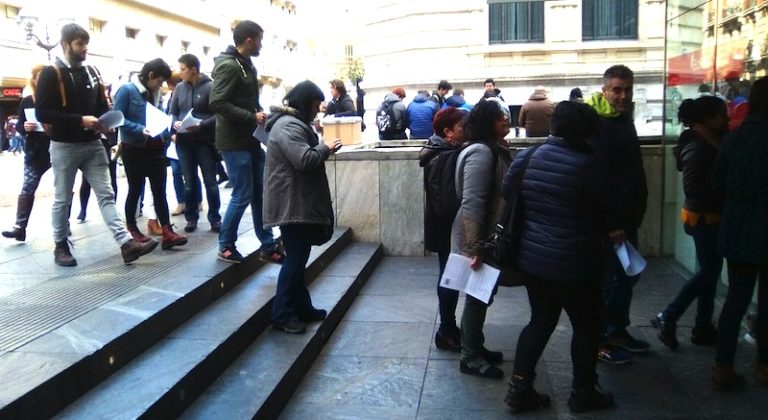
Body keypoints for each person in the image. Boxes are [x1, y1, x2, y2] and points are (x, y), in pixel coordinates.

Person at [503, 101, 618, 414]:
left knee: (540, 321)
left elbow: (508, 191)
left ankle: (520, 388)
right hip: (577, 263)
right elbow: (610, 208)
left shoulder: (526, 157)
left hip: (534, 260)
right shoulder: (590, 164)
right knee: (585, 326)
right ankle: (583, 392)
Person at [35, 23, 157, 265]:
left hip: (92, 144)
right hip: (64, 145)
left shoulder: (92, 71)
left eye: (86, 43)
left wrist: (105, 120)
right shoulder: (52, 73)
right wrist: (81, 120)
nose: (85, 48)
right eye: (80, 44)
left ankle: (126, 243)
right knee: (62, 198)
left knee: (106, 195)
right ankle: (60, 246)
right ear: (65, 44)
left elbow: (101, 105)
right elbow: (43, 113)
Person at [263, 80, 341, 333]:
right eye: (316, 104)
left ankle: (302, 307)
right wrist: (324, 147)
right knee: (295, 259)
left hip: (296, 202)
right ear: (305, 102)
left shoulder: (292, 124)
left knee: (298, 258)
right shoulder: (288, 126)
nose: (319, 109)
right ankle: (282, 314)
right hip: (291, 204)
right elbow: (304, 159)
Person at [653, 96, 728, 350]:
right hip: (704, 217)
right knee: (708, 272)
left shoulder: (703, 141)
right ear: (707, 120)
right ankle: (668, 316)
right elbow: (694, 187)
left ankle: (702, 327)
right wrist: (724, 196)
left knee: (710, 271)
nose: (725, 120)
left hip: (706, 216)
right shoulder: (698, 146)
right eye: (720, 115)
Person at [585, 64, 649, 364]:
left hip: (627, 217)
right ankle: (599, 340)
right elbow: (601, 176)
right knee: (608, 282)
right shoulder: (599, 123)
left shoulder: (623, 119)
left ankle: (616, 330)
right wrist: (612, 222)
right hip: (612, 223)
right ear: (605, 91)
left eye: (627, 90)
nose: (623, 95)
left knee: (627, 279)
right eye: (617, 90)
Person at [210, 20, 284, 264]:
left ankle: (267, 244)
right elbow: (217, 102)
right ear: (249, 40)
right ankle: (226, 245)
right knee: (242, 193)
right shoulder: (230, 66)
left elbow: (242, 100)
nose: (262, 45)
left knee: (260, 194)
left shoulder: (246, 65)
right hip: (234, 142)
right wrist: (251, 116)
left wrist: (259, 113)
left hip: (250, 139)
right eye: (260, 40)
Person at [711, 76, 768, 390]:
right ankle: (764, 367)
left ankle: (723, 365)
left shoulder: (733, 139)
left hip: (737, 232)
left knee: (736, 301)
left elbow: (718, 186)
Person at [451, 99, 511, 379]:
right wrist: (475, 246)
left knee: (482, 295)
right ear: (488, 121)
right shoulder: (481, 153)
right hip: (479, 237)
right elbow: (473, 201)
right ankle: (470, 356)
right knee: (477, 296)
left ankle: (474, 345)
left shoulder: (493, 150)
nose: (506, 120)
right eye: (501, 117)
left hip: (486, 236)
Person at [113, 58, 188, 250]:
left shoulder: (155, 93)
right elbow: (117, 118)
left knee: (160, 192)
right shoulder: (127, 90)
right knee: (135, 189)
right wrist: (139, 128)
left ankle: (167, 231)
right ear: (151, 75)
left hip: (156, 149)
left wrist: (169, 128)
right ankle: (133, 230)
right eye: (160, 81)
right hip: (134, 149)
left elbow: (159, 117)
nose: (161, 85)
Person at [419, 107, 468, 352]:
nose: (467, 130)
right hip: (447, 229)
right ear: (448, 132)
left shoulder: (443, 151)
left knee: (448, 276)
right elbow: (446, 201)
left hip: (445, 228)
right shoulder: (444, 156)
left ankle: (449, 327)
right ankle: (447, 329)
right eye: (462, 126)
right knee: (448, 278)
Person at [170, 53, 221, 234]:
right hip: (184, 142)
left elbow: (218, 114)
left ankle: (215, 218)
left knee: (210, 181)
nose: (180, 73)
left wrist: (202, 124)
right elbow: (173, 112)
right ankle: (191, 218)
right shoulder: (179, 89)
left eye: (183, 69)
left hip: (205, 142)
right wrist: (175, 123)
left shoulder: (210, 87)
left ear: (194, 70)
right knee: (189, 182)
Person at [2, 65, 50, 241]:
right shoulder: (27, 101)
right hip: (35, 151)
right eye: (39, 76)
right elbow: (21, 126)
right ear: (34, 79)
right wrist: (24, 127)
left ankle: (64, 225)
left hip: (56, 149)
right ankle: (19, 227)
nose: (42, 79)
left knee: (63, 190)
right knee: (27, 188)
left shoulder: (57, 100)